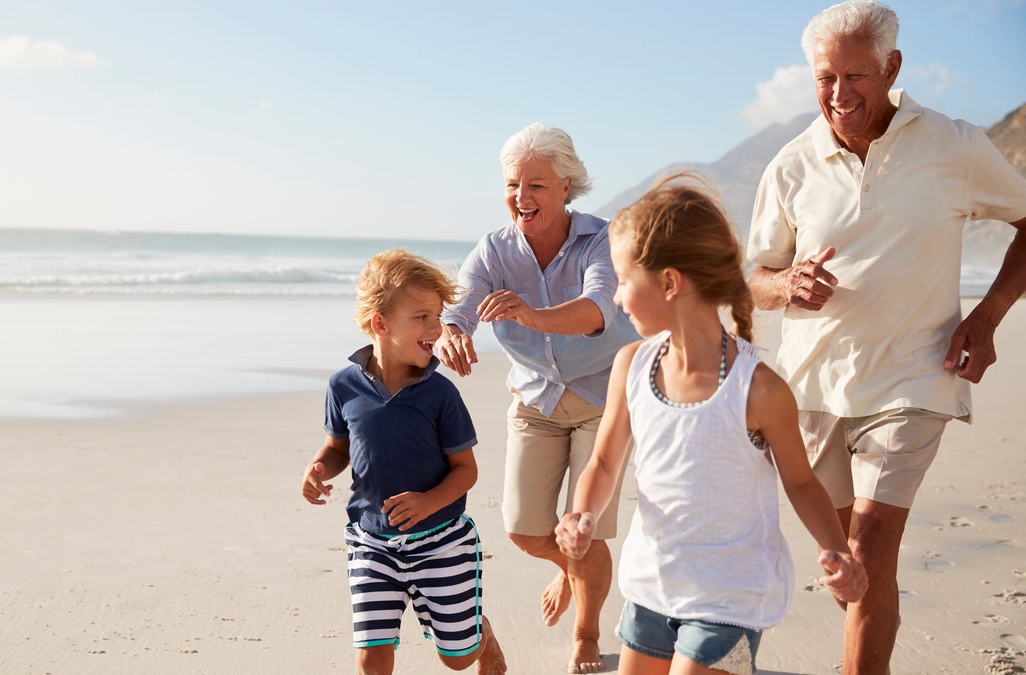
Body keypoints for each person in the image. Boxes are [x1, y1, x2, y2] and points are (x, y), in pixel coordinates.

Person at [746, 2, 1026, 672]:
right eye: (824, 79)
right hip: (811, 386)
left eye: (855, 77)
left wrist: (986, 315)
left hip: (914, 376)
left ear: (892, 67)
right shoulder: (790, 165)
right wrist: (786, 286)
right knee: (852, 566)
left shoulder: (954, 144)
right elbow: (751, 274)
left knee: (869, 547)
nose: (838, 94)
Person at [556, 173, 868, 675]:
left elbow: (802, 481)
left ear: (669, 282)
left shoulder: (759, 389)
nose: (614, 298)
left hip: (729, 595)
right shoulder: (632, 365)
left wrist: (836, 548)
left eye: (622, 281)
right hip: (652, 585)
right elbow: (604, 461)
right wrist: (581, 513)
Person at [436, 122, 641, 674]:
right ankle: (570, 567)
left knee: (582, 528)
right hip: (536, 402)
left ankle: (587, 635)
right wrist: (452, 331)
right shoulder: (494, 251)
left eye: (537, 186)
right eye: (512, 185)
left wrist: (529, 314)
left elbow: (600, 307)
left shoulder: (601, 239)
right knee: (526, 530)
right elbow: (458, 305)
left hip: (604, 398)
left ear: (567, 185)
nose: (521, 198)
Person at [300, 249, 507, 675]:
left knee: (457, 658)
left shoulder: (440, 394)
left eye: (438, 317)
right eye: (423, 318)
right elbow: (338, 447)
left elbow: (466, 470)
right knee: (372, 658)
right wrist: (318, 467)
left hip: (442, 541)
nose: (437, 328)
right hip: (372, 541)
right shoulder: (343, 386)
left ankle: (480, 636)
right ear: (381, 323)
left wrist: (430, 501)